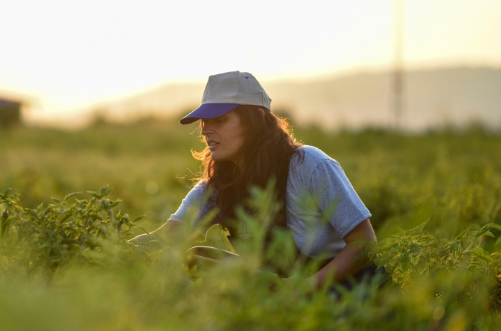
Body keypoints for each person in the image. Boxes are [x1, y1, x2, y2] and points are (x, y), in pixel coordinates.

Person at [131, 71, 382, 291]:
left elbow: (364, 244)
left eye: (219, 120)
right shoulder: (217, 187)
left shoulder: (309, 164)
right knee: (197, 257)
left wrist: (302, 288)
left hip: (346, 288)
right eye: (204, 122)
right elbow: (166, 236)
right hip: (283, 288)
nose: (206, 130)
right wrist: (104, 249)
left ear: (257, 120)